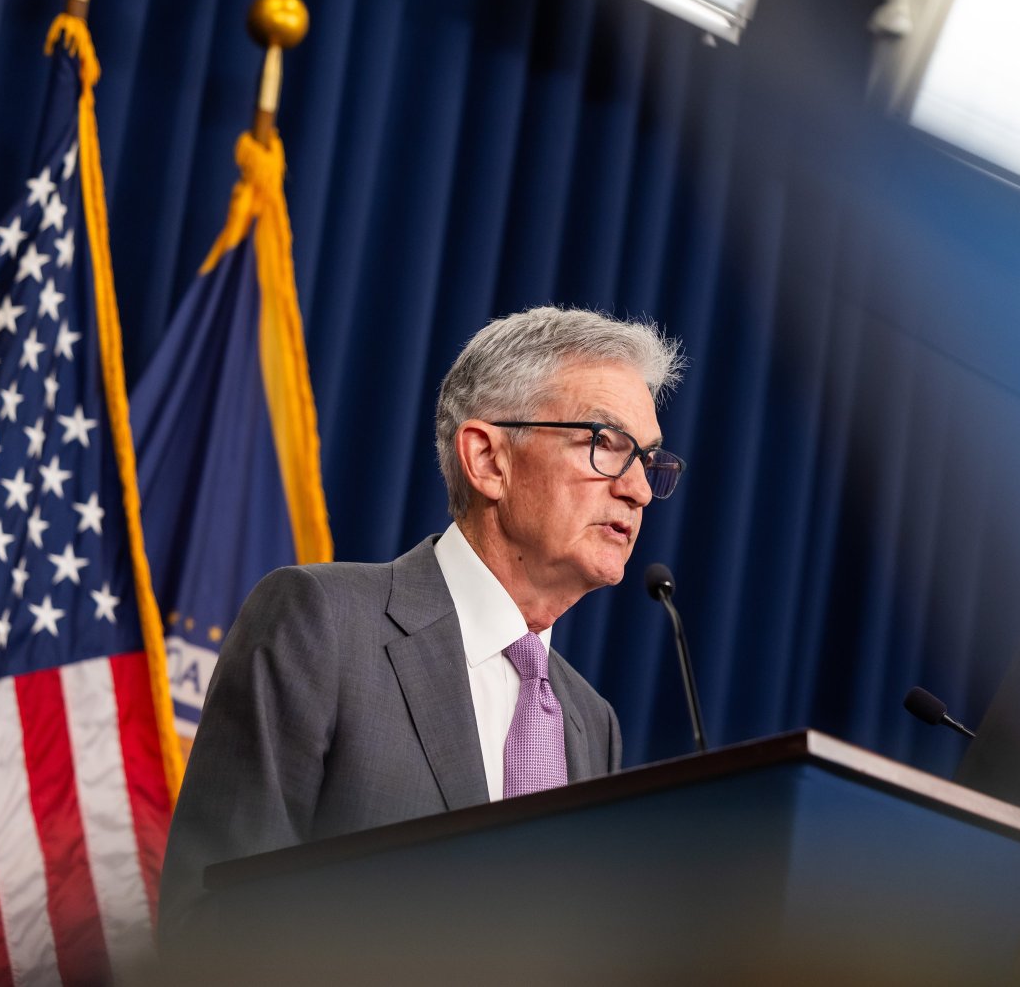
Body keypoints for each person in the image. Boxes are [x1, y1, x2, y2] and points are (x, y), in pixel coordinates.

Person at [156, 305, 685, 951]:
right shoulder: (319, 623)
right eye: (605, 445)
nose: (636, 488)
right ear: (488, 459)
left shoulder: (590, 722)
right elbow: (206, 930)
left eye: (649, 460)